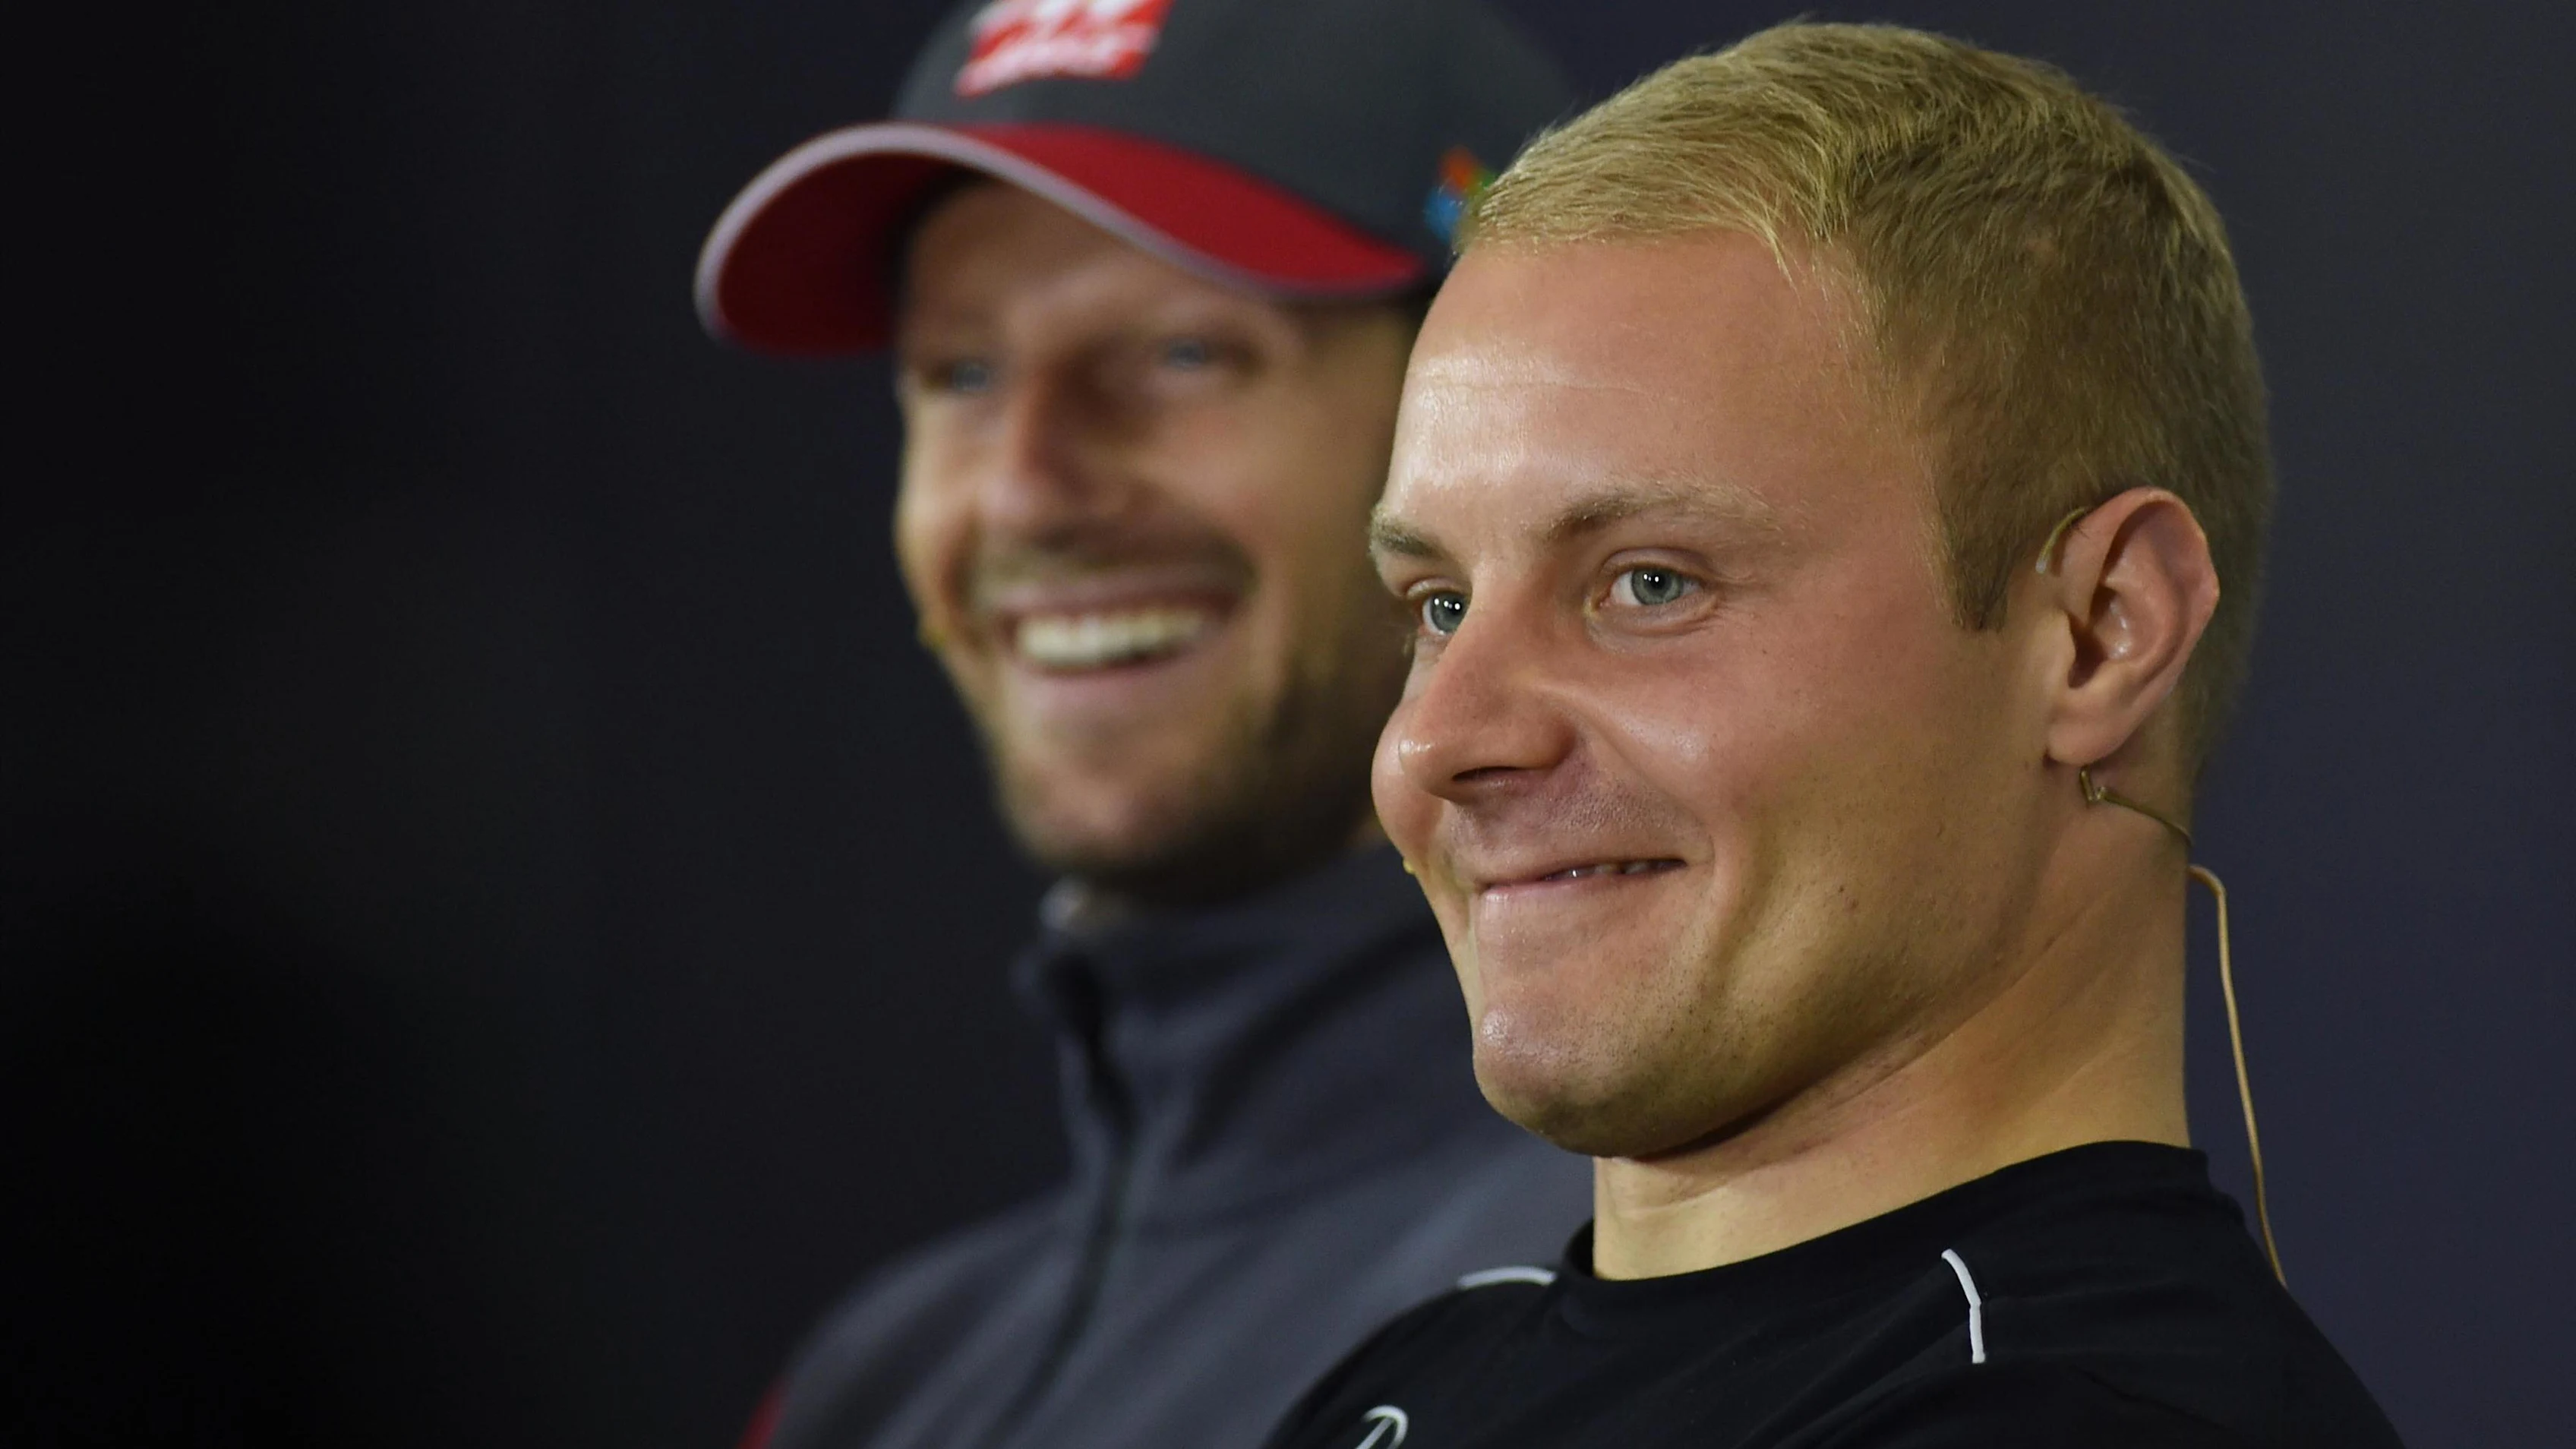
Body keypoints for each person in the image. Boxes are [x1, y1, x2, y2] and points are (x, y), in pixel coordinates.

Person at [1263, 22, 2404, 1448]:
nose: (1436, 744)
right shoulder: (1407, 1385)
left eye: (1649, 585)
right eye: (1437, 605)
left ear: (2103, 632)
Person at [694, 2, 1589, 1446]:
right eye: (963, 375)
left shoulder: (1669, 1299)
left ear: (1509, 427)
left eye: (1181, 355)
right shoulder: (874, 1387)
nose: (1031, 490)